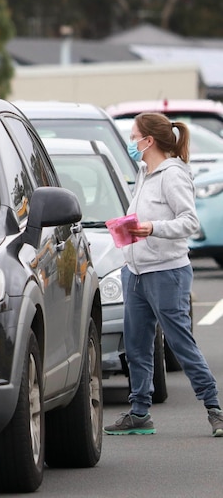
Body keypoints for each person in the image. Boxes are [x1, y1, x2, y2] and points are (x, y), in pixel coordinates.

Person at [103, 112, 222, 437]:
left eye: (133, 136)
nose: (131, 142)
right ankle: (140, 412)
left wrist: (153, 228)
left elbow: (189, 221)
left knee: (181, 342)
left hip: (167, 273)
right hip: (136, 273)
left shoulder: (173, 175)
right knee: (138, 346)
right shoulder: (145, 172)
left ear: (148, 140)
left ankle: (214, 408)